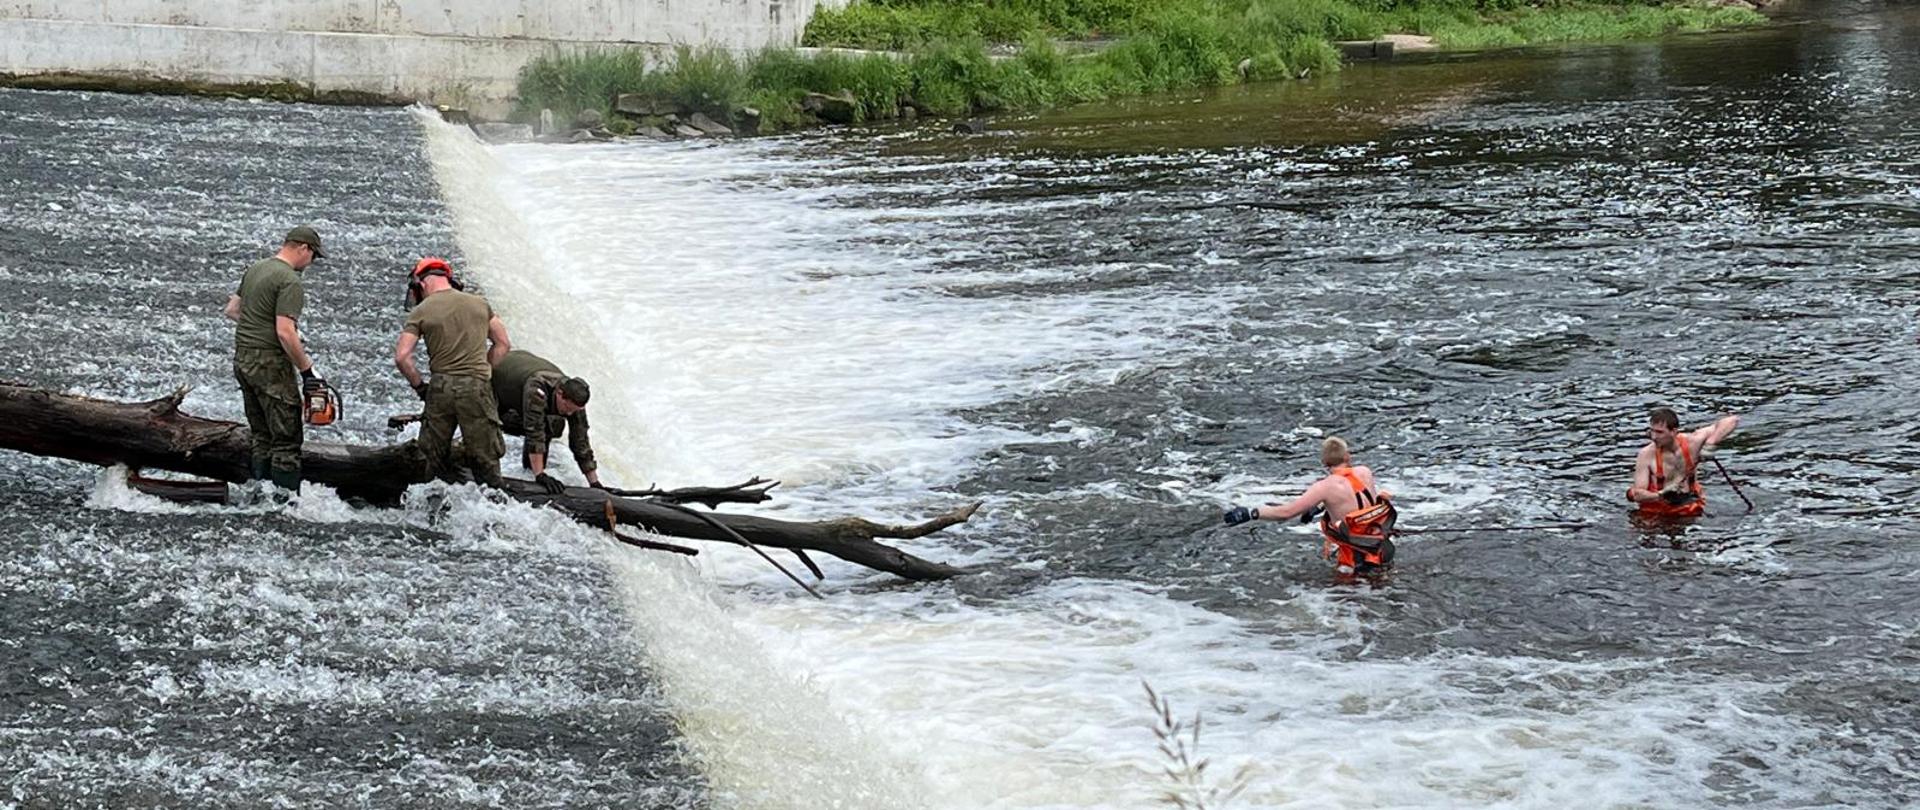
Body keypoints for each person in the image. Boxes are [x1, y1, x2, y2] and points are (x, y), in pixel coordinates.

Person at [223, 225, 327, 493]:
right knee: (286, 440)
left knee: (261, 435)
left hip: (243, 358)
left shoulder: (257, 268)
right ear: (304, 248)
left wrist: (261, 325)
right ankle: (284, 504)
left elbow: (233, 310)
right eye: (313, 256)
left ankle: (258, 495)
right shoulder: (289, 280)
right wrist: (307, 371)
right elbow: (284, 332)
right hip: (269, 364)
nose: (311, 263)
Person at [393, 257, 511, 488]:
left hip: (441, 387)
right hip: (477, 387)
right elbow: (503, 344)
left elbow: (402, 357)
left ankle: (425, 509)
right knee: (486, 458)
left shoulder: (421, 311)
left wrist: (420, 387)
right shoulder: (479, 304)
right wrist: (484, 369)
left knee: (430, 457)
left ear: (422, 284)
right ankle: (495, 512)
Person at [1222, 437, 1398, 575]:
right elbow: (1358, 501)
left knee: (1345, 600)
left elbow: (1286, 513)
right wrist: (1320, 507)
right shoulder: (1365, 472)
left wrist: (1252, 513)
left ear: (1324, 462)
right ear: (1347, 456)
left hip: (1353, 557)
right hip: (1380, 546)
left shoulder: (1324, 487)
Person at [492, 349, 605, 494]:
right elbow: (534, 432)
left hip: (522, 372)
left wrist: (594, 482)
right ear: (560, 394)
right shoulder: (537, 390)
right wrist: (540, 476)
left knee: (554, 425)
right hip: (498, 378)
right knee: (489, 426)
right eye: (567, 408)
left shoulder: (575, 398)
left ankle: (529, 468)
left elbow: (580, 440)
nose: (569, 413)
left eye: (574, 410)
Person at [1627, 407, 1739, 518]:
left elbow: (1732, 420)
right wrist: (1660, 495)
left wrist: (1710, 444)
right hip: (1657, 512)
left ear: (1674, 431)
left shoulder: (1693, 443)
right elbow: (1638, 494)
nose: (1654, 437)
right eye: (1652, 431)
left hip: (1689, 507)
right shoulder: (1646, 454)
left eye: (1660, 432)